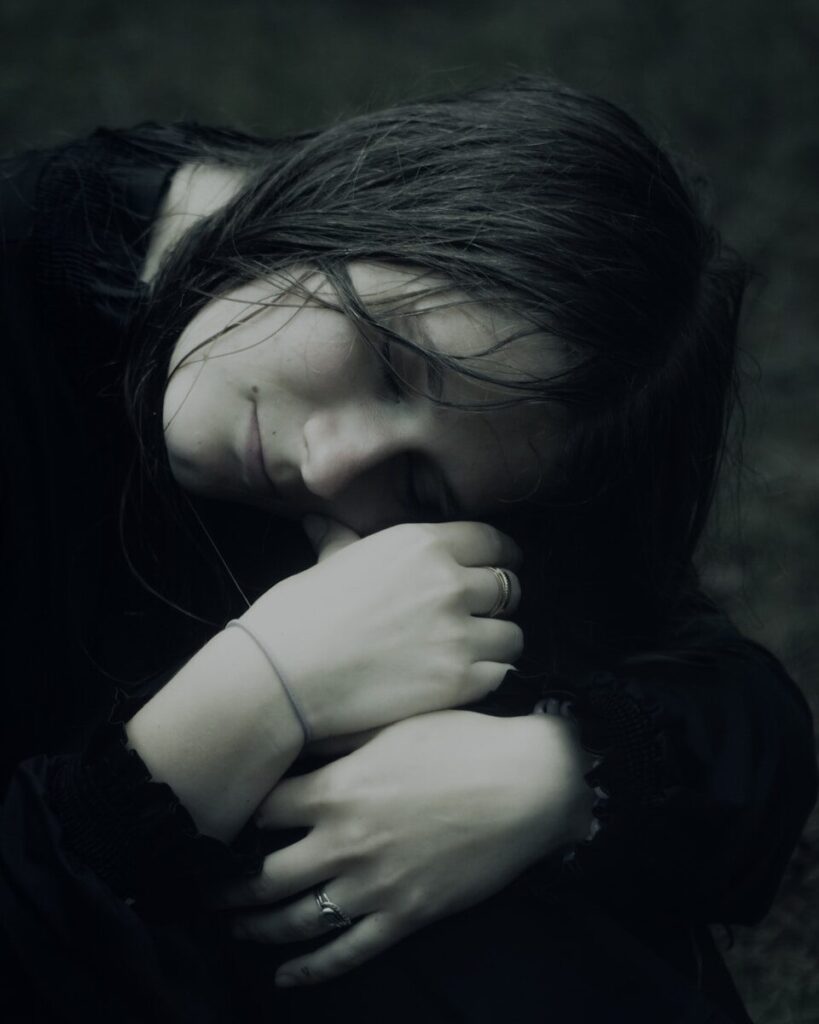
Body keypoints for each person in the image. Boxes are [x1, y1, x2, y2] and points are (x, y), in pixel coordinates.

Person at [0, 76, 815, 1023]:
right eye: (386, 357)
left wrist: (558, 771)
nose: (325, 461)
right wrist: (264, 690)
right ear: (364, 203)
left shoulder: (491, 466)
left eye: (420, 487)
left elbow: (744, 724)